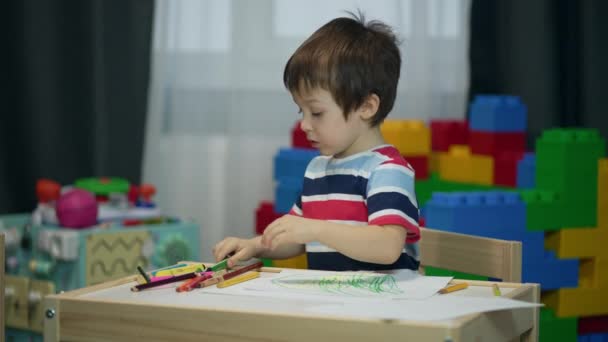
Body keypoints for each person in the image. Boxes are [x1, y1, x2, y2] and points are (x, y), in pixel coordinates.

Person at [213, 12, 420, 271]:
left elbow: (387, 247)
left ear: (366, 106)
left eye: (317, 113)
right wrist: (255, 245)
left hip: (385, 304)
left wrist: (315, 228)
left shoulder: (387, 170)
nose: (304, 124)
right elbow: (295, 239)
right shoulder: (317, 169)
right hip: (334, 304)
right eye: (302, 111)